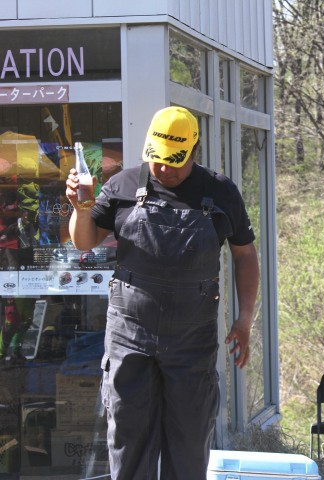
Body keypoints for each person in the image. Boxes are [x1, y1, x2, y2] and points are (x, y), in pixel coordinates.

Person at [66, 106, 260, 479]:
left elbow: (245, 255)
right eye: (157, 158)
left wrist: (245, 319)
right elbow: (84, 241)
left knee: (188, 450)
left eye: (174, 161)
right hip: (129, 339)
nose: (163, 169)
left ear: (194, 151)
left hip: (192, 343)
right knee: (129, 446)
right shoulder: (123, 185)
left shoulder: (220, 192)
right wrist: (80, 209)